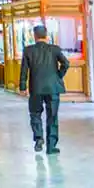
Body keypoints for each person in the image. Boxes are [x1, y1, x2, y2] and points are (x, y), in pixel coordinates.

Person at [20, 25, 70, 155]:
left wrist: (23, 86)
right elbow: (66, 63)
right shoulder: (55, 49)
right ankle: (51, 146)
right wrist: (58, 76)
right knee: (52, 116)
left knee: (35, 113)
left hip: (36, 88)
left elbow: (24, 70)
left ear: (34, 36)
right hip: (53, 88)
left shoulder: (28, 50)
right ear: (46, 35)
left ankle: (38, 138)